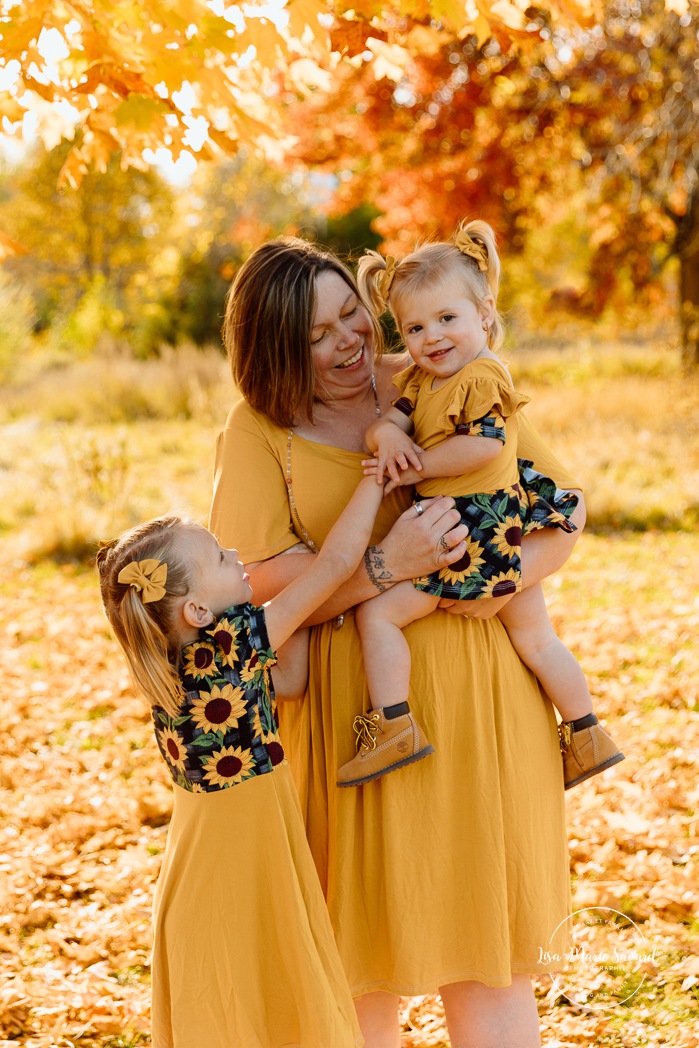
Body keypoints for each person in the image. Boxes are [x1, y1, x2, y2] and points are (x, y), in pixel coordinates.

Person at [209, 235, 596, 1048]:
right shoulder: (258, 431)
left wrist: (501, 577)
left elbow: (562, 507)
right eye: (316, 335)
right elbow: (258, 585)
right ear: (274, 349)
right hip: (355, 727)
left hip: (482, 706)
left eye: (351, 314)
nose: (348, 342)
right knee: (356, 974)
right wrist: (389, 565)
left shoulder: (432, 375)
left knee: (488, 962)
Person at [96, 471, 386, 1047]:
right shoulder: (229, 647)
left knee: (236, 1005)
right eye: (220, 557)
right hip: (244, 860)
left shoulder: (171, 662)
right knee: (267, 987)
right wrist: (375, 477)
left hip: (203, 862)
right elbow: (334, 567)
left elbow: (291, 681)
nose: (235, 554)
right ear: (198, 611)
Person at [333, 221, 624, 790]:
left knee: (379, 615)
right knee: (536, 638)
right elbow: (385, 427)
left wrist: (414, 464)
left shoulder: (485, 375)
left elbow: (487, 445)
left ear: (485, 314)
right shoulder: (420, 381)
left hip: (472, 532)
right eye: (415, 327)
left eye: (447, 319)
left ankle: (395, 725)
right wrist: (384, 437)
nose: (432, 337)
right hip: (498, 530)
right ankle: (586, 733)